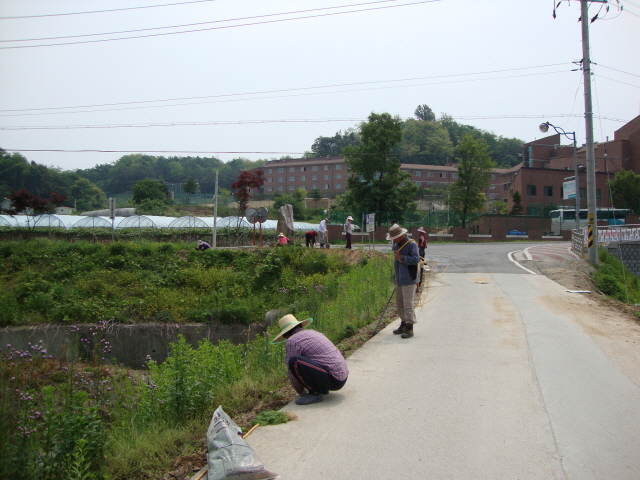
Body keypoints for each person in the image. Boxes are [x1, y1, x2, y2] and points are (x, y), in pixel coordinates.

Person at [272, 314, 348, 405]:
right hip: (342, 377)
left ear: (286, 334)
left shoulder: (292, 340)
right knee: (309, 357)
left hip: (333, 380)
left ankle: (315, 393)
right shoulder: (313, 333)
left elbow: (291, 370)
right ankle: (322, 388)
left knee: (294, 361)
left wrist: (301, 392)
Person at [387, 224, 420, 339]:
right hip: (400, 280)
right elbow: (396, 263)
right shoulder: (396, 245)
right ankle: (403, 323)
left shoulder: (411, 244)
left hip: (409, 280)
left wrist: (402, 257)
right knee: (399, 305)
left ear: (401, 235)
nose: (394, 240)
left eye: (395, 237)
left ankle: (410, 327)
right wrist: (396, 278)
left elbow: (416, 259)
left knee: (408, 304)